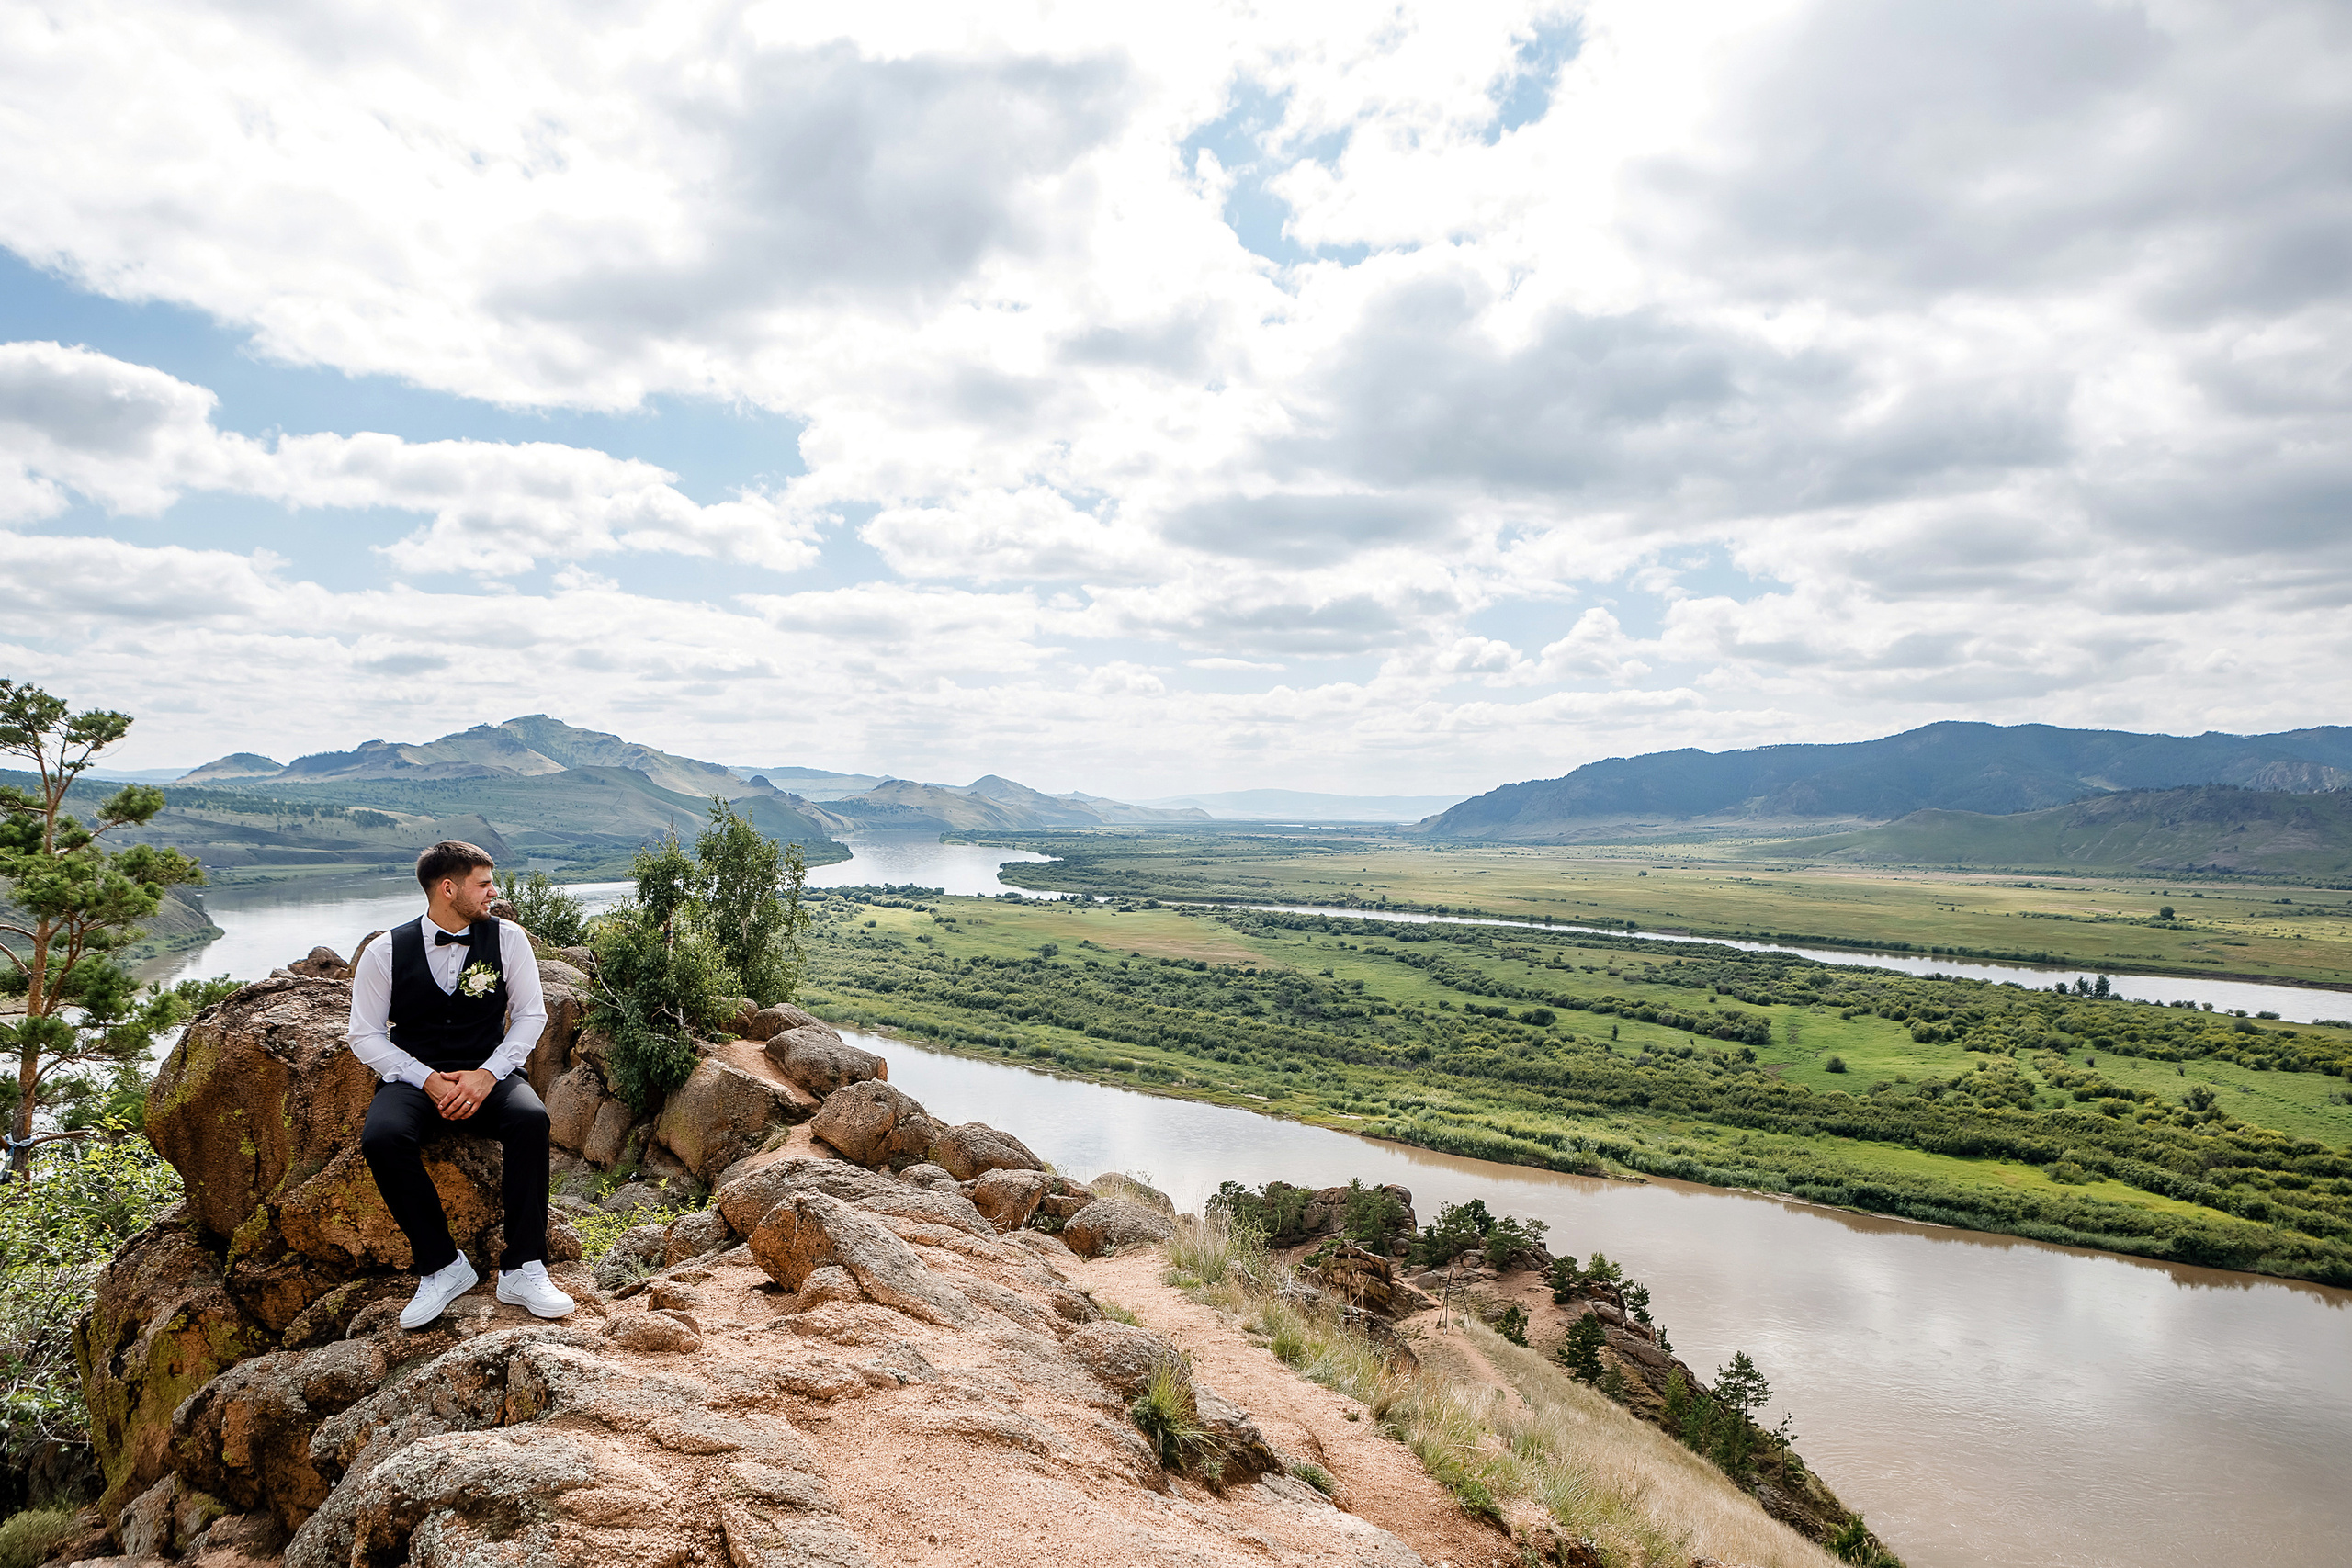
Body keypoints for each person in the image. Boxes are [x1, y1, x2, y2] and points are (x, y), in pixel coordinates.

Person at [347, 840, 573, 1328]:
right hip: (413, 1074)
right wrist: (425, 1079)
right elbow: (363, 1035)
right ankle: (442, 1266)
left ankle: (523, 1267)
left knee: (531, 1119)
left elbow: (532, 1015)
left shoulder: (509, 939)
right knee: (382, 1139)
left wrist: (489, 1073)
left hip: (489, 1068)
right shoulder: (385, 950)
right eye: (483, 883)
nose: (494, 892)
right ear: (447, 889)